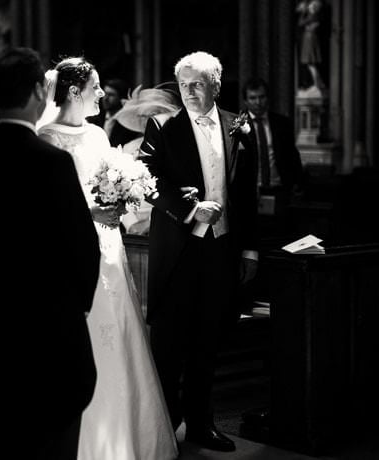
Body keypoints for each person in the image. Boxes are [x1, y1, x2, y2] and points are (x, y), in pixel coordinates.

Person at [0, 47, 100, 460]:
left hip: (1, 325)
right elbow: (82, 245)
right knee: (55, 443)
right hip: (52, 329)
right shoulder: (51, 161)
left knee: (10, 439)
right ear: (40, 90)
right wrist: (80, 307)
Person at [38, 56, 178, 460]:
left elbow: (105, 185)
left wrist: (125, 195)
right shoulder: (47, 138)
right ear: (74, 92)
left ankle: (132, 436)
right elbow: (52, 207)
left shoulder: (99, 135)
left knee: (121, 328)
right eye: (95, 87)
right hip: (76, 251)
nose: (101, 94)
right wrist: (93, 212)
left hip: (110, 246)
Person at [140, 51, 259, 452]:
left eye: (199, 83)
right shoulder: (161, 126)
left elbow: (247, 194)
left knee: (209, 340)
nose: (190, 91)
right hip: (179, 249)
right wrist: (189, 208)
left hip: (223, 249)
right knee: (170, 344)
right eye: (185, 84)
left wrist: (250, 251)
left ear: (216, 85)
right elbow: (148, 181)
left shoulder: (239, 125)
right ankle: (166, 424)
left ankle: (201, 423)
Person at [114, 85, 181, 235]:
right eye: (144, 116)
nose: (148, 121)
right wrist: (131, 224)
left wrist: (150, 223)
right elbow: (118, 191)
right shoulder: (129, 148)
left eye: (154, 115)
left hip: (169, 224)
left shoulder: (178, 150)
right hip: (133, 229)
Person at [242, 77, 304, 213]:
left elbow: (293, 157)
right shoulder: (235, 126)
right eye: (253, 98)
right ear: (246, 101)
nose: (258, 102)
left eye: (262, 97)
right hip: (250, 193)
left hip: (279, 190)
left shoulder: (282, 124)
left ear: (268, 98)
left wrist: (298, 184)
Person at [297, 0, 325, 90]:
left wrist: (303, 12)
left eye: (311, 5)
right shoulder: (313, 16)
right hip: (310, 37)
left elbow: (300, 23)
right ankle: (319, 84)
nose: (309, 6)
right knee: (311, 63)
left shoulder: (312, 16)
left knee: (311, 63)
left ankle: (317, 84)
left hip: (309, 38)